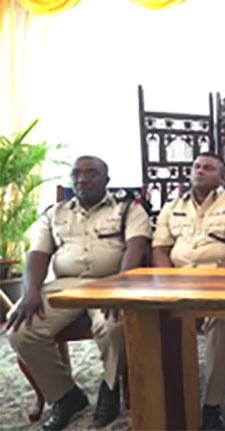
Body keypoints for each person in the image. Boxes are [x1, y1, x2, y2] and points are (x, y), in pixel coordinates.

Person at [8, 156, 151, 430]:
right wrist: (30, 293)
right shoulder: (55, 213)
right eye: (76, 174)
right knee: (20, 330)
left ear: (106, 180)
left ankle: (110, 387)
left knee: (114, 326)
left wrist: (120, 288)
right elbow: (37, 256)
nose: (82, 179)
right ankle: (66, 396)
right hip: (66, 285)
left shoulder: (129, 210)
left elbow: (136, 249)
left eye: (91, 173)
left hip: (111, 283)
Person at [152, 152, 225, 430]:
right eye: (196, 167)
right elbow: (160, 248)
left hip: (219, 282)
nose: (200, 171)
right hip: (177, 282)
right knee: (146, 319)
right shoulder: (171, 206)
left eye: (208, 168)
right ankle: (162, 397)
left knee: (224, 322)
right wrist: (167, 278)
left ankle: (212, 406)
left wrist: (216, 276)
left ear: (221, 177)